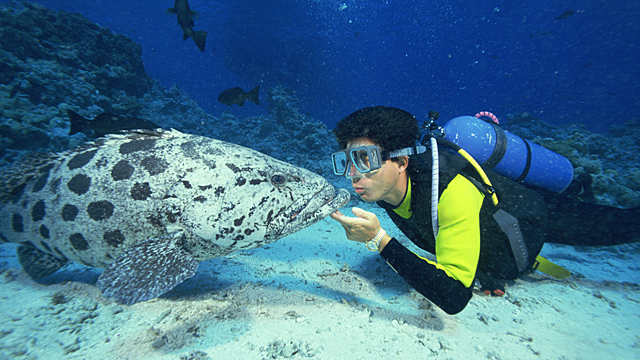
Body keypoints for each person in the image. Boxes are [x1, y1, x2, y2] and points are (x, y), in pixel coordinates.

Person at [330, 106, 640, 315]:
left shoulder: (451, 190)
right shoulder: (383, 187)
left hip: (536, 217)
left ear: (401, 162)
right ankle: (580, 187)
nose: (353, 173)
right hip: (502, 220)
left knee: (628, 225)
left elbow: (454, 297)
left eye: (365, 159)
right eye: (346, 161)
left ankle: (577, 188)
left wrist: (379, 240)